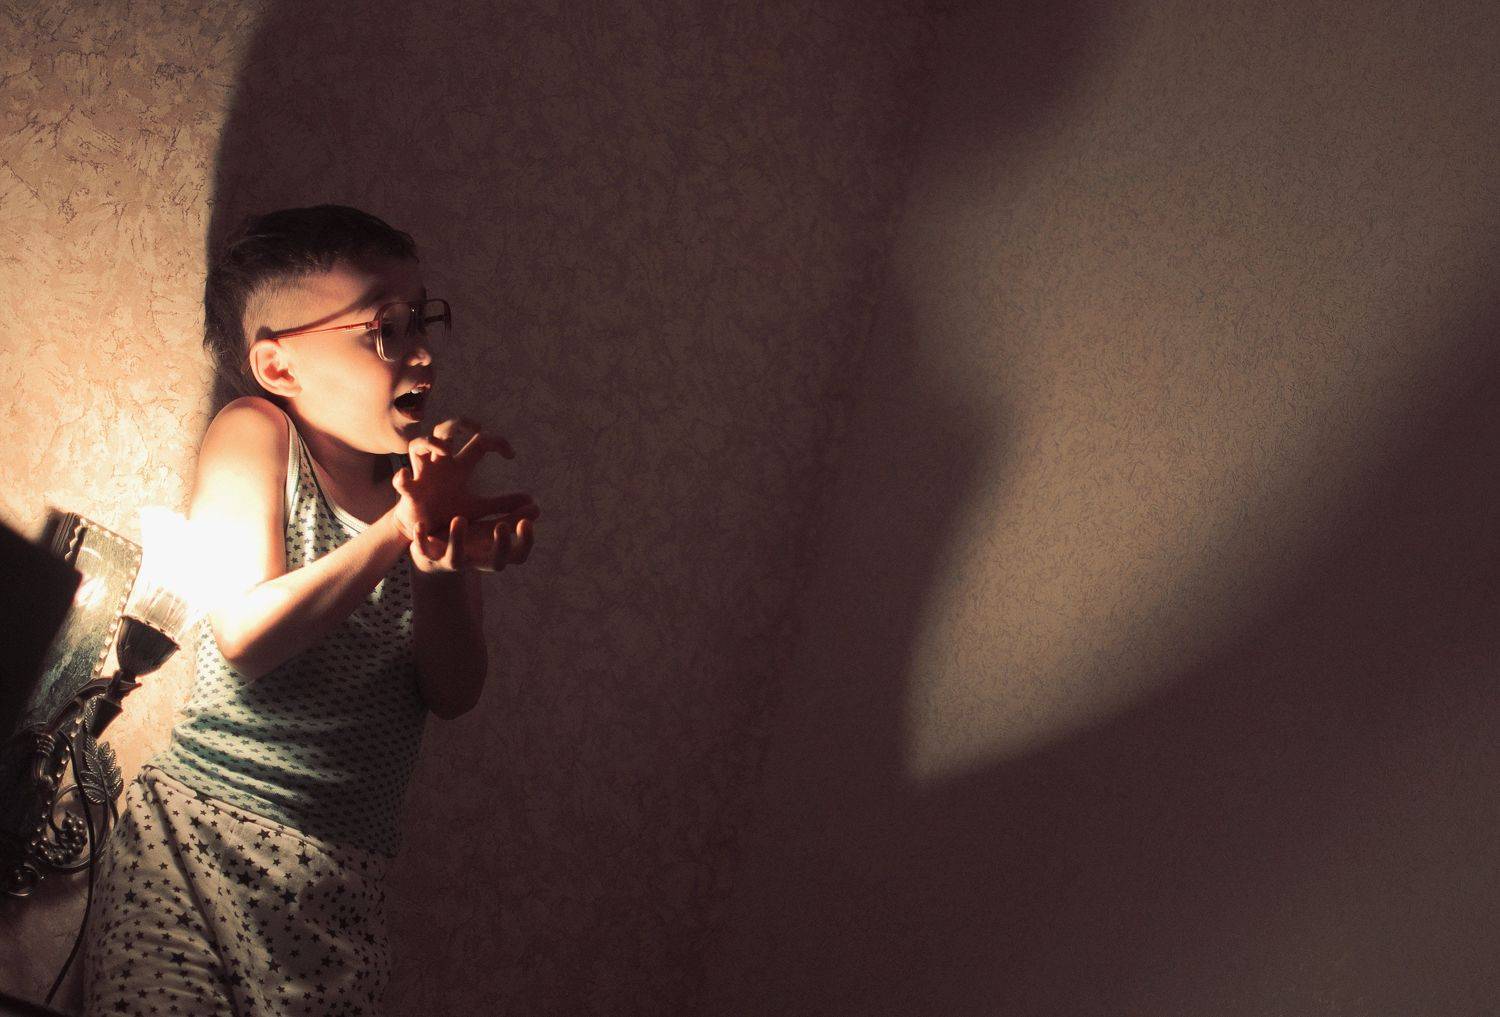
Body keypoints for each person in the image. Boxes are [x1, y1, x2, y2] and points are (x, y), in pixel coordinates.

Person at [81, 204, 538, 1016]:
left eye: (422, 319)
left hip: (340, 892)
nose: (422, 352)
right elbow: (246, 634)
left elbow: (454, 690)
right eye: (384, 329)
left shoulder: (424, 488)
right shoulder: (255, 433)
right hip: (196, 849)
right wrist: (398, 530)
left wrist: (434, 560)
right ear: (280, 366)